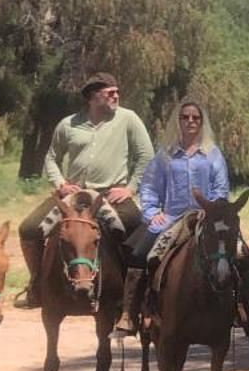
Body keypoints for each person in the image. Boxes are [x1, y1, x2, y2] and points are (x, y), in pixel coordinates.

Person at [120, 100, 249, 340]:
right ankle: (131, 314)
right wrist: (151, 212)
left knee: (246, 258)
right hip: (171, 218)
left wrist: (212, 210)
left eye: (195, 118)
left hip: (208, 218)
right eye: (185, 117)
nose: (190, 121)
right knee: (139, 255)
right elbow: (149, 187)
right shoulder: (165, 155)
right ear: (177, 121)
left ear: (202, 122)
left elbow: (221, 189)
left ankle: (248, 316)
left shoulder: (212, 154)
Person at [19, 71, 153, 305]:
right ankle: (37, 286)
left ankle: (132, 297)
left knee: (137, 230)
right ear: (93, 97)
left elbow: (146, 156)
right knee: (29, 229)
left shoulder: (128, 119)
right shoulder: (69, 124)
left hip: (110, 195)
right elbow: (51, 158)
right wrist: (60, 184)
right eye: (110, 93)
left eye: (117, 92)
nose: (116, 96)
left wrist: (130, 189)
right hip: (73, 195)